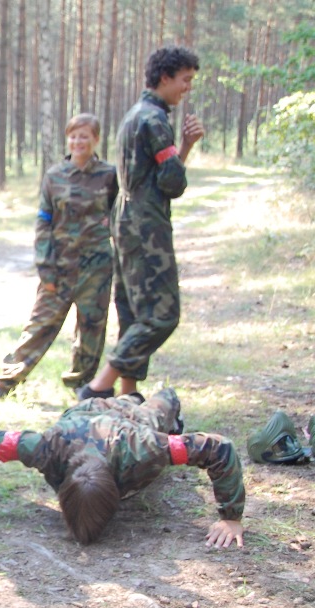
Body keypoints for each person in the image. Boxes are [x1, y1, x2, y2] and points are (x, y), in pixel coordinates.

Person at [0, 388, 245, 549]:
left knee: (164, 403)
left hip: (130, 420)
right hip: (83, 413)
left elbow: (218, 448)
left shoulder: (144, 450)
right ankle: (125, 395)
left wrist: (230, 518)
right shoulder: (48, 448)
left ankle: (140, 398)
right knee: (120, 401)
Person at [77, 46, 205, 400]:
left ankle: (128, 392)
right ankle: (100, 386)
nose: (187, 88)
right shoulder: (154, 120)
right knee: (162, 314)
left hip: (126, 221)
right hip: (146, 226)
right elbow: (171, 182)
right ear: (165, 78)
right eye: (185, 80)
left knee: (133, 309)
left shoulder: (135, 114)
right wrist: (187, 146)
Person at [0, 113, 117, 399]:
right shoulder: (55, 176)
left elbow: (119, 215)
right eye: (74, 136)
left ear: (96, 139)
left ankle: (82, 384)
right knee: (40, 326)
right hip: (60, 266)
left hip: (96, 268)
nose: (78, 142)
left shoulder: (109, 175)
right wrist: (45, 266)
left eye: (84, 136)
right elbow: (43, 222)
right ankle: (6, 382)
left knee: (91, 328)